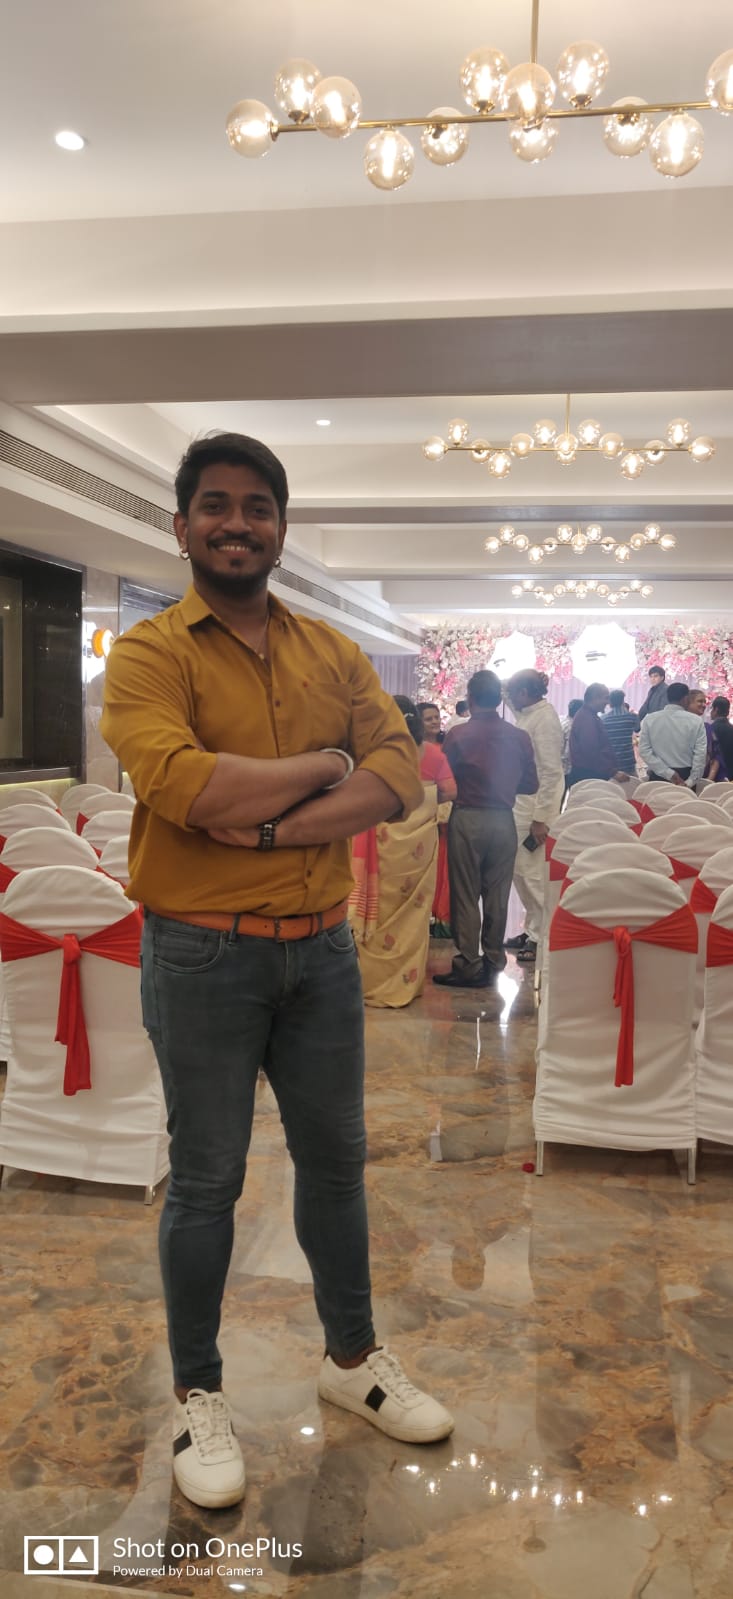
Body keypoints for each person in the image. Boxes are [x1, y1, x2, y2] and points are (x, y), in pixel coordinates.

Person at [100, 431, 454, 1511]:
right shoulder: (149, 654)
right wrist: (325, 767)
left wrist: (271, 822)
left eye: (257, 506)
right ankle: (197, 1395)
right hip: (200, 952)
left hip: (324, 954)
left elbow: (397, 770)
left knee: (336, 1165)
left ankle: (351, 1359)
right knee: (206, 1179)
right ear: (182, 526)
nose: (236, 523)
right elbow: (184, 786)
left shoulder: (331, 651)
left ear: (281, 528)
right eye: (215, 504)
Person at [433, 669, 538, 989]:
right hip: (503, 819)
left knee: (465, 894)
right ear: (499, 699)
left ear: (470, 698)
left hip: (467, 817)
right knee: (497, 894)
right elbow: (531, 784)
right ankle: (493, 960)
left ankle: (468, 963)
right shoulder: (519, 736)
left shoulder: (458, 735)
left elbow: (444, 780)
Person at [349, 695, 456, 1005]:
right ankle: (406, 985)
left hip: (379, 847)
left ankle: (371, 984)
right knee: (414, 914)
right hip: (417, 851)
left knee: (378, 911)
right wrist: (421, 801)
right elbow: (450, 791)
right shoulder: (433, 754)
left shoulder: (375, 753)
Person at [503, 669, 564, 965]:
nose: (511, 698)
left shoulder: (545, 719)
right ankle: (531, 929)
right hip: (520, 805)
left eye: (516, 693)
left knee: (533, 875)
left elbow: (552, 772)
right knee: (520, 872)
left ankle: (542, 937)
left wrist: (541, 818)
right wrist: (521, 680)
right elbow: (505, 691)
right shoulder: (528, 713)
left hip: (535, 809)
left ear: (524, 693)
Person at [638, 681, 708, 786]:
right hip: (685, 775)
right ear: (686, 699)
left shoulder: (650, 719)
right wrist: (691, 781)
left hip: (658, 775)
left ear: (668, 697)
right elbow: (700, 754)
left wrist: (667, 773)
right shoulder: (696, 721)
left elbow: (644, 751)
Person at [568, 684, 632, 786]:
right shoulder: (587, 719)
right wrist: (612, 772)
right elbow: (590, 752)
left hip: (592, 773)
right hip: (589, 775)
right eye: (606, 698)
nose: (608, 702)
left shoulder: (589, 715)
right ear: (595, 698)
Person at [602, 689, 640, 776]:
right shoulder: (632, 717)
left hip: (611, 763)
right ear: (623, 701)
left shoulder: (603, 719)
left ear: (610, 702)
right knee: (633, 783)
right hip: (628, 761)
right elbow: (637, 729)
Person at [710, 695, 733, 780]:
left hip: (716, 775)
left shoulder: (711, 729)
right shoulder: (731, 728)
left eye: (711, 709)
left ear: (716, 709)